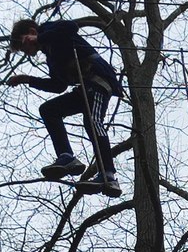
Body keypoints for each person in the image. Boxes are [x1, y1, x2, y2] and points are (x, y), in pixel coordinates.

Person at [7, 18, 123, 197]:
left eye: (25, 45)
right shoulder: (51, 56)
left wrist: (40, 38)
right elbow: (58, 85)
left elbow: (71, 27)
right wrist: (27, 79)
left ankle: (108, 175)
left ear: (32, 31)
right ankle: (67, 157)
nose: (28, 52)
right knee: (49, 110)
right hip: (84, 88)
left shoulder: (49, 30)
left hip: (98, 80)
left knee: (93, 122)